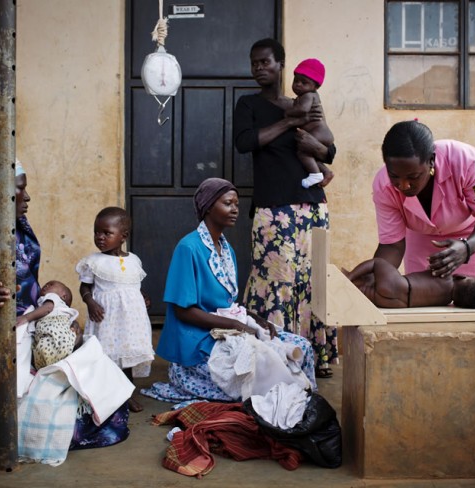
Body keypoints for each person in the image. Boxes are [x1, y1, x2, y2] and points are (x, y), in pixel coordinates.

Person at [0, 154, 129, 450]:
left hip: (31, 336)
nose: (27, 197)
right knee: (62, 422)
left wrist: (57, 317)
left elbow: (30, 292)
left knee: (105, 399)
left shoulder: (21, 230)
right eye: (20, 188)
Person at [142, 178, 318, 403]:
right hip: (198, 342)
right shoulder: (189, 248)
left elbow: (227, 304)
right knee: (256, 367)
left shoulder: (226, 249)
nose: (235, 209)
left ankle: (299, 400)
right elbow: (183, 312)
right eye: (228, 203)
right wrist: (237, 326)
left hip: (225, 329)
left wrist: (257, 319)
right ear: (208, 206)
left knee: (301, 346)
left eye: (236, 203)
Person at [234, 38, 339, 379]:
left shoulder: (304, 102)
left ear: (281, 64)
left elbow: (329, 149)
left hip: (312, 207)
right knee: (276, 281)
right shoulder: (249, 105)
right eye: (254, 63)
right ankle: (277, 356)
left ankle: (317, 355)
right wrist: (288, 122)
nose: (259, 68)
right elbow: (245, 142)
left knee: (311, 282)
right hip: (272, 209)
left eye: (265, 62)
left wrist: (317, 149)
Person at [372, 120, 475, 284]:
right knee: (422, 301)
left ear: (431, 161)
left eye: (413, 177)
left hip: (474, 236)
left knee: (474, 300)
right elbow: (392, 245)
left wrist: (467, 248)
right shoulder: (383, 186)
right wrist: (375, 279)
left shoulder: (467, 161)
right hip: (421, 240)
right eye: (394, 176)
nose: (404, 185)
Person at [76, 207, 154, 413]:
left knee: (126, 357)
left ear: (123, 237)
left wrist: (143, 296)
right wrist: (90, 302)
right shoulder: (93, 262)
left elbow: (131, 285)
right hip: (107, 319)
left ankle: (126, 394)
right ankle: (106, 394)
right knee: (106, 356)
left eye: (106, 233)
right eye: (96, 232)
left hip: (130, 321)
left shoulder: (134, 260)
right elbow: (85, 286)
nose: (100, 237)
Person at [342, 257, 475, 308]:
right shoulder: (446, 301)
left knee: (378, 263)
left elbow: (431, 265)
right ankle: (351, 285)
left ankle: (349, 276)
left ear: (461, 277)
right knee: (368, 285)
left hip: (401, 284)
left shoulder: (446, 275)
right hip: (398, 303)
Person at [285, 58, 334, 188]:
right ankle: (326, 172)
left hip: (319, 133)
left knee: (302, 152)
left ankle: (315, 174)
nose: (298, 85)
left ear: (315, 86)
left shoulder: (308, 95)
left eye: (304, 82)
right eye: (296, 81)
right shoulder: (304, 96)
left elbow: (302, 109)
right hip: (320, 134)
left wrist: (288, 112)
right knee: (312, 156)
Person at [17, 280, 83, 370]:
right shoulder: (64, 311)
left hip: (50, 339)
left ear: (63, 296)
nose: (46, 285)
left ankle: (39, 365)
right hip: (65, 345)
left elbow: (47, 308)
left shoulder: (53, 298)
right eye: (46, 284)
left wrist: (26, 318)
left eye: (51, 284)